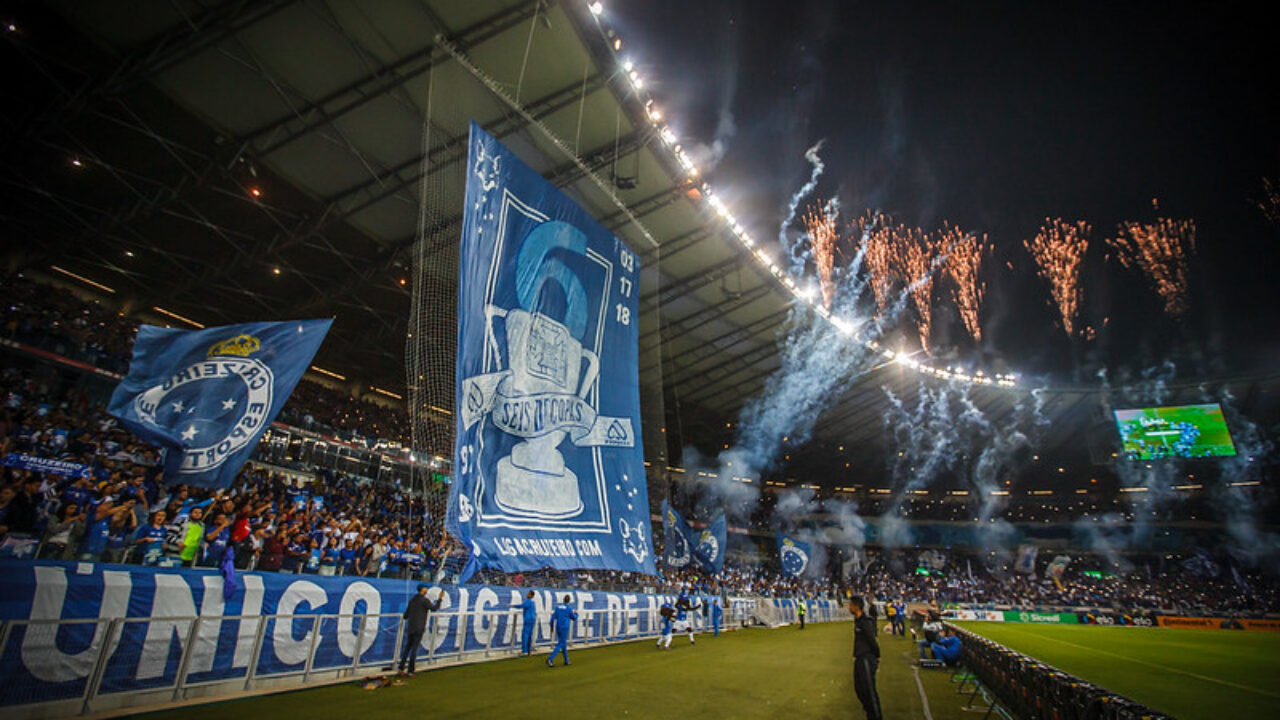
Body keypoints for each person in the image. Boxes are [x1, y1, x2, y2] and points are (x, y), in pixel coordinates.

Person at [850, 596, 882, 720]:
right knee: (859, 689)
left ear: (856, 606)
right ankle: (870, 713)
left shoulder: (865, 621)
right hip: (859, 659)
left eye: (851, 605)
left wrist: (877, 655)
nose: (849, 607)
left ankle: (875, 716)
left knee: (869, 691)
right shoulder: (858, 621)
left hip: (866, 659)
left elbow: (872, 640)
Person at [399, 584, 441, 677]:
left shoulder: (412, 600)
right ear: (422, 590)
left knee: (407, 648)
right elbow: (434, 608)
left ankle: (401, 668)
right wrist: (439, 600)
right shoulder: (424, 600)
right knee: (414, 649)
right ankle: (411, 671)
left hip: (411, 627)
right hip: (419, 627)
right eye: (426, 588)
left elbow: (406, 615)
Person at [547, 594, 577, 667]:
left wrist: (551, 627)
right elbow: (574, 618)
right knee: (561, 644)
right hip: (565, 627)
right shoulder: (568, 608)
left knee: (563, 643)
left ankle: (566, 660)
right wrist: (576, 614)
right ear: (569, 601)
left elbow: (552, 618)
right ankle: (550, 659)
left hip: (558, 626)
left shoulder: (558, 607)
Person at [515, 590, 538, 655]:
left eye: (528, 594)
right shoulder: (533, 602)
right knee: (530, 635)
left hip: (528, 619)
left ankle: (524, 651)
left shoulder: (528, 601)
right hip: (532, 619)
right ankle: (528, 650)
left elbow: (521, 606)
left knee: (525, 635)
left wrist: (513, 606)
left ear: (531, 595)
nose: (527, 594)